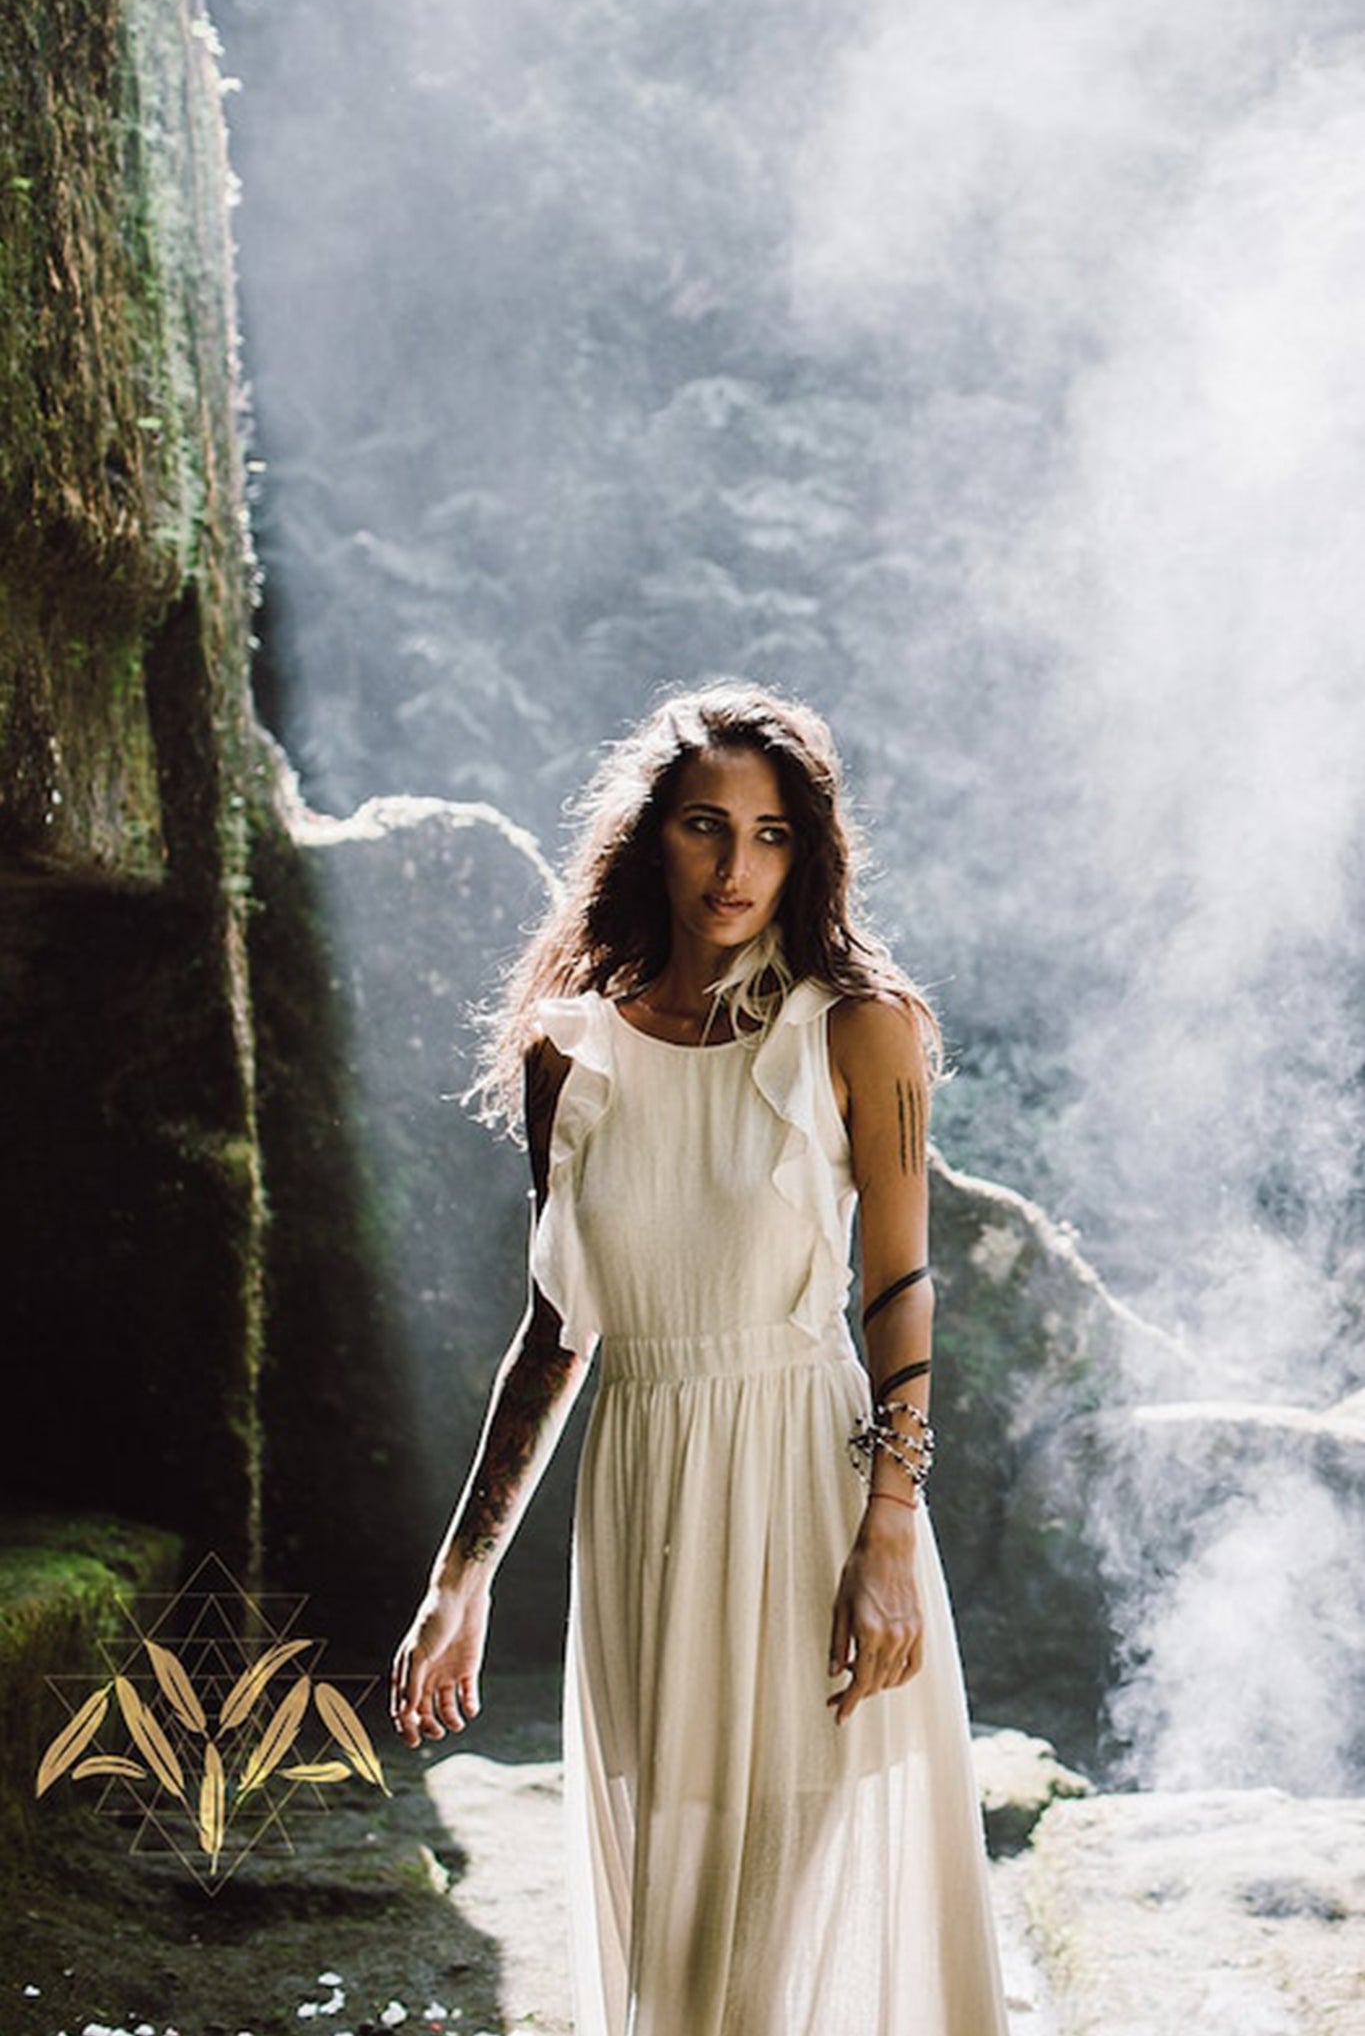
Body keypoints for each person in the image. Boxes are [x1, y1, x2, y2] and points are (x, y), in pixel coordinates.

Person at [391, 684, 1008, 2036]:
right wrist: (462, 1580)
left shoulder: (857, 1025)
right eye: (703, 828)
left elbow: (896, 1290)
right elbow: (557, 1329)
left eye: (772, 835)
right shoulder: (574, 1053)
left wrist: (888, 1530)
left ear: (811, 850)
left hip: (801, 1494)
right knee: (671, 1939)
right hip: (645, 1502)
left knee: (740, 1956)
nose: (736, 870)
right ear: (645, 838)